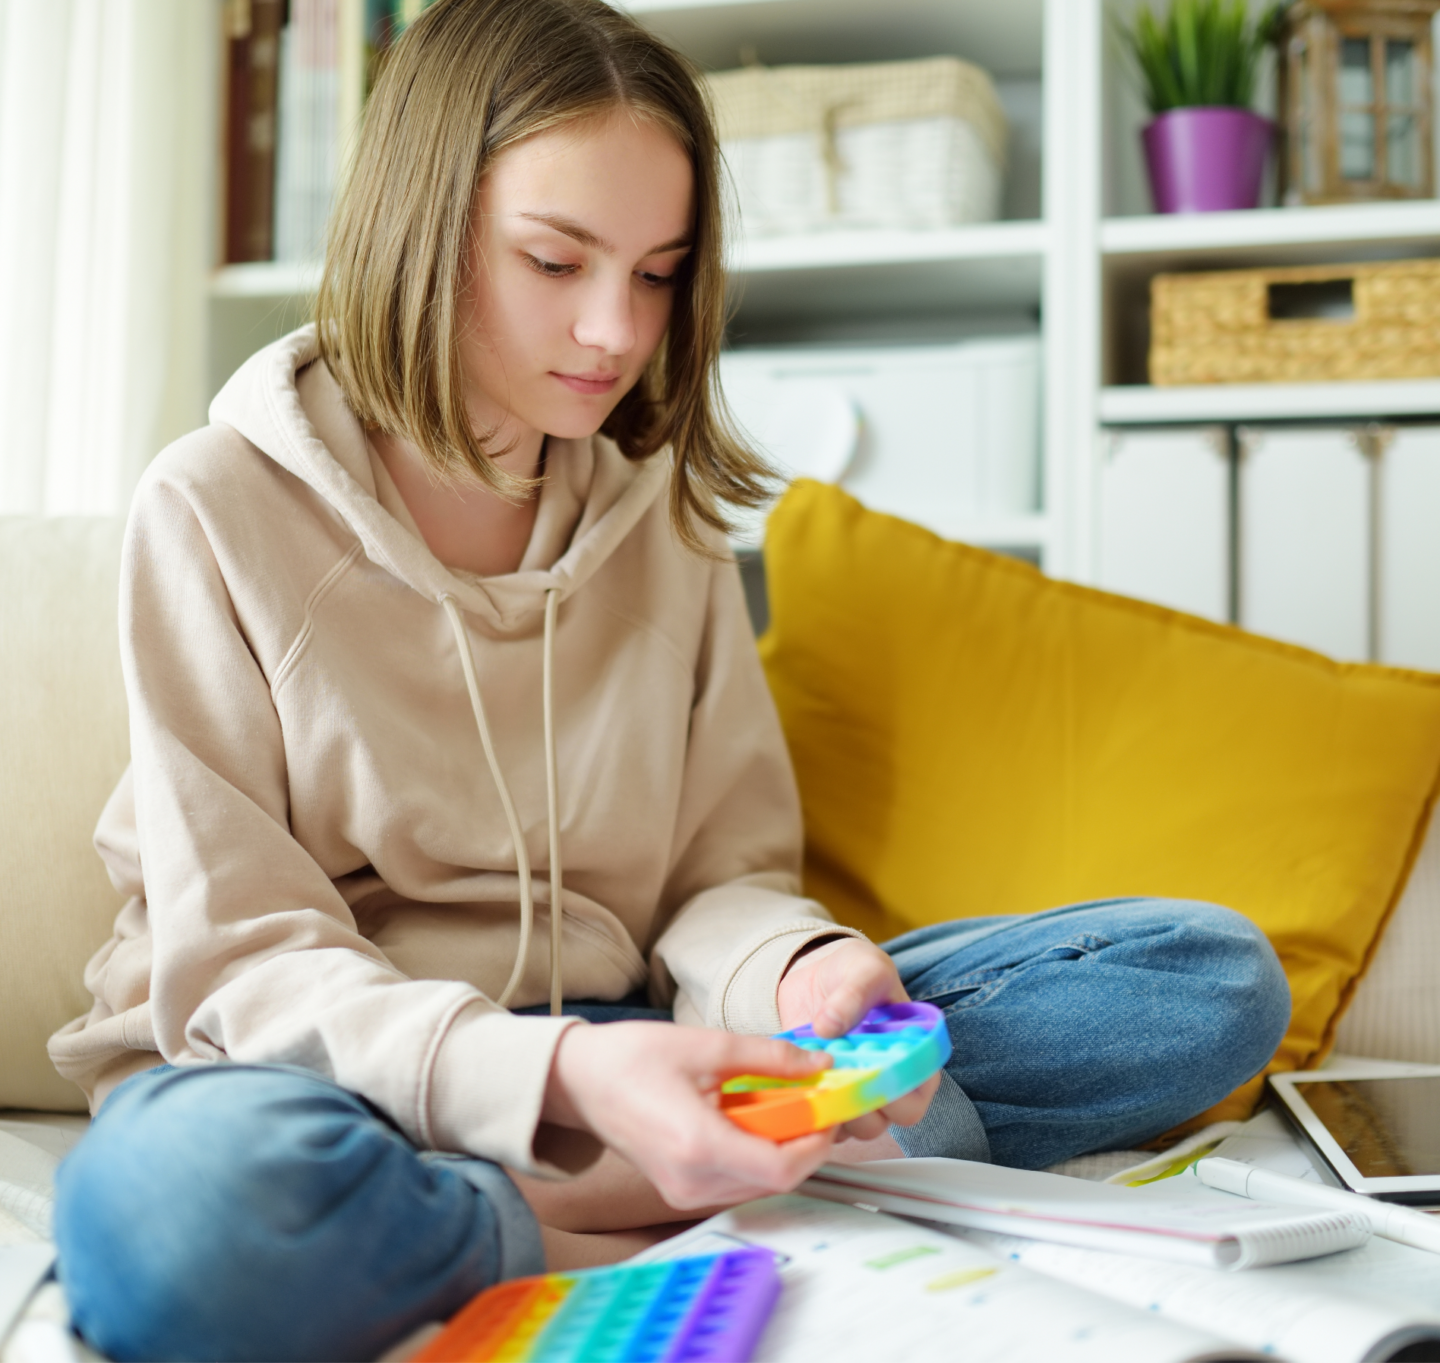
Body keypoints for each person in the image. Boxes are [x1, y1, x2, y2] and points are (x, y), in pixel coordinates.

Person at [47, 2, 1291, 1361]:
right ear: (421, 225)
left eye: (657, 272)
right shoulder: (215, 505)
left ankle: (650, 1162)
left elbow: (714, 877)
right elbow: (243, 956)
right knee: (182, 1227)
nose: (610, 329)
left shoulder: (664, 523)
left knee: (1201, 977)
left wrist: (798, 971)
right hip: (325, 1070)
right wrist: (562, 1079)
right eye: (554, 259)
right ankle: (617, 1190)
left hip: (630, 1029)